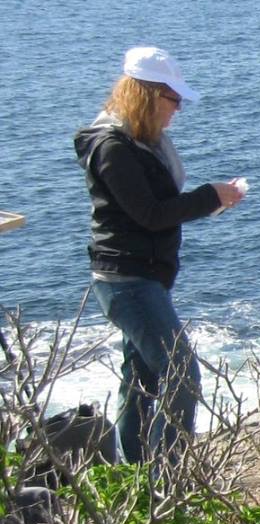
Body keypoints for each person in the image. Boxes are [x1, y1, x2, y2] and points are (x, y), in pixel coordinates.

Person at [73, 45, 246, 465]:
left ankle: (136, 476)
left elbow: (153, 212)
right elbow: (149, 215)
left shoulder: (138, 144)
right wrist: (210, 197)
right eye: (174, 99)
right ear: (148, 95)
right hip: (129, 282)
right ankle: (169, 480)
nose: (178, 109)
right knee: (181, 375)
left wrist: (211, 201)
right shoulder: (113, 147)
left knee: (141, 381)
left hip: (141, 278)